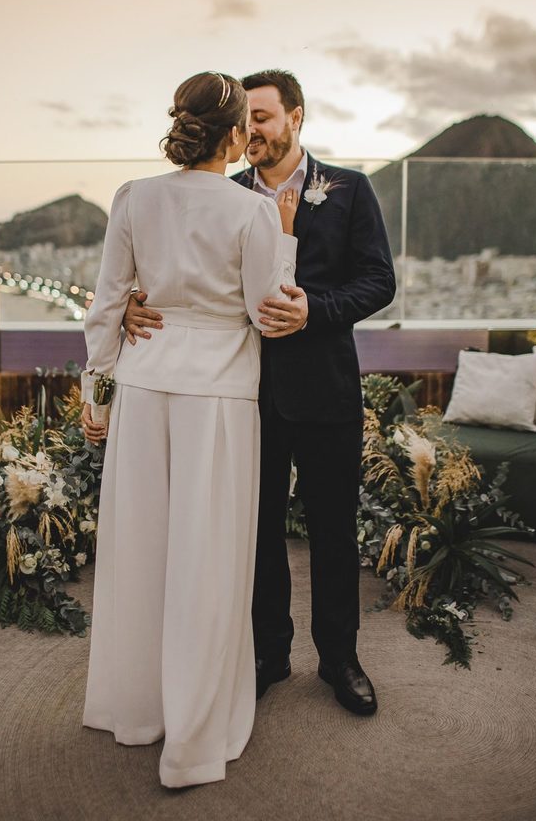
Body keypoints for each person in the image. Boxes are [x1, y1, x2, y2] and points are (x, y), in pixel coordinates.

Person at [123, 69, 396, 717]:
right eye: (247, 121)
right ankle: (269, 652)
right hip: (247, 391)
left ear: (296, 117)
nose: (253, 132)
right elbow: (186, 274)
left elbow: (378, 281)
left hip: (326, 388)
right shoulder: (228, 192)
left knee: (333, 531)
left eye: (265, 119)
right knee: (256, 531)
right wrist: (134, 303)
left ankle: (340, 658)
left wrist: (316, 310)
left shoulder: (350, 189)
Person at [79, 71, 304, 788]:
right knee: (207, 562)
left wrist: (98, 398)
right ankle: (194, 741)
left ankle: (137, 712)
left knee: (140, 554)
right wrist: (285, 242)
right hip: (217, 401)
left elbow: (106, 307)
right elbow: (268, 311)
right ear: (236, 135)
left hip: (143, 390)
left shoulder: (133, 197)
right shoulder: (252, 211)